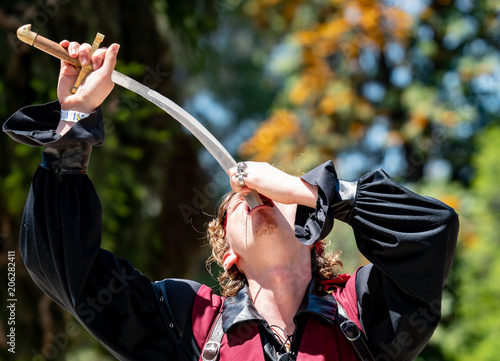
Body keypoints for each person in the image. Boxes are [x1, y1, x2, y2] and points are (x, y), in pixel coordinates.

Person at [3, 40, 459, 361]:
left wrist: (316, 191)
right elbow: (68, 272)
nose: (253, 195)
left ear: (312, 231)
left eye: (272, 194)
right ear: (229, 258)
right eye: (237, 202)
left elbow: (430, 232)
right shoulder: (189, 324)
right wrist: (73, 127)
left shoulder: (364, 312)